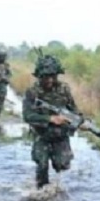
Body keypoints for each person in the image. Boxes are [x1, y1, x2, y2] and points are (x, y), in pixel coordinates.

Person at [22, 54, 86, 188]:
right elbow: (27, 116)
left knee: (62, 165)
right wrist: (50, 119)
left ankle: (55, 190)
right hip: (42, 135)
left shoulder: (64, 89)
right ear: (40, 76)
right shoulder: (32, 92)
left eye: (53, 76)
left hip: (60, 136)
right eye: (46, 77)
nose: (50, 80)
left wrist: (80, 122)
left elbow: (73, 109)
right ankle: (41, 194)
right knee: (42, 165)